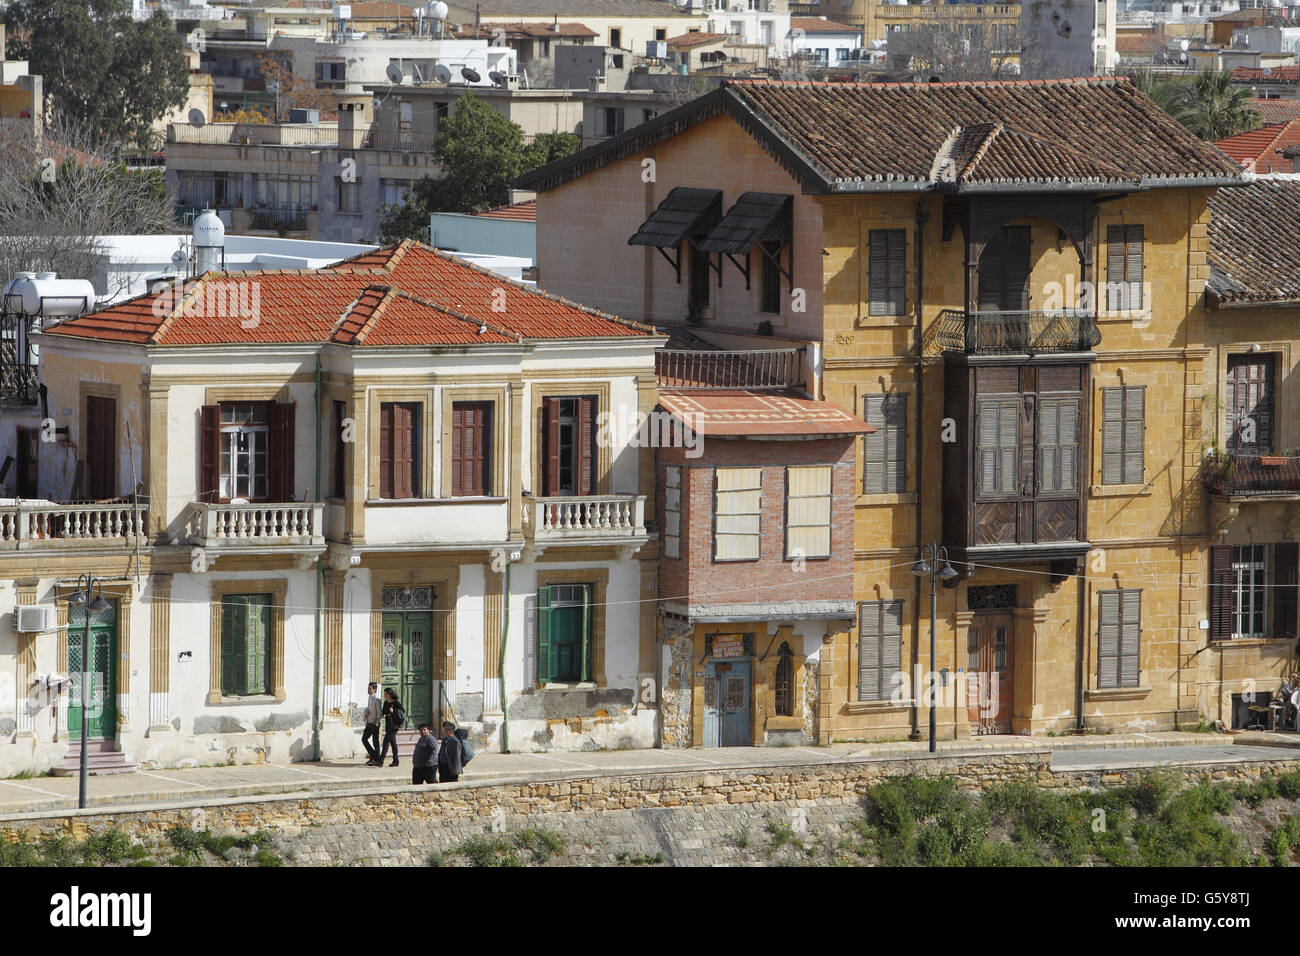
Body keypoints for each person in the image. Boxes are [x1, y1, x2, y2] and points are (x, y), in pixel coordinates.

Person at [378, 688, 403, 767]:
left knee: (386, 741)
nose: (384, 695)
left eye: (386, 694)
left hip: (394, 725)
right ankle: (396, 760)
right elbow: (384, 712)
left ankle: (381, 760)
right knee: (393, 742)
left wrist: (393, 711)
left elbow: (402, 712)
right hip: (388, 724)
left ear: (390, 694)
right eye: (384, 694)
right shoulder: (386, 703)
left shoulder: (396, 703)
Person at [362, 682, 381, 766]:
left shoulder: (377, 700)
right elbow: (369, 708)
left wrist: (376, 721)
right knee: (364, 739)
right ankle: (373, 755)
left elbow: (379, 712)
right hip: (369, 722)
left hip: (374, 724)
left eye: (370, 688)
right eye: (368, 688)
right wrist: (366, 712)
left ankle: (376, 758)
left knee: (375, 742)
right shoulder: (369, 698)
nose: (368, 690)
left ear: (374, 690)